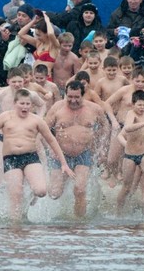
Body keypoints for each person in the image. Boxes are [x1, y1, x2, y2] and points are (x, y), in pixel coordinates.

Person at [0, 89, 75, 222]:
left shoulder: (37, 120)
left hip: (31, 157)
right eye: (22, 103)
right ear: (15, 103)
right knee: (16, 196)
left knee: (41, 191)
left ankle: (30, 196)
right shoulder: (5, 117)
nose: (25, 107)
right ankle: (16, 228)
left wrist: (64, 163)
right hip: (11, 159)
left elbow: (51, 140)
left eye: (28, 104)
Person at [45, 81, 109, 217]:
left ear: (83, 95)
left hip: (83, 153)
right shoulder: (57, 108)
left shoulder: (95, 109)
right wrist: (50, 147)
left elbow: (105, 126)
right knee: (54, 193)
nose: (73, 101)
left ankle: (79, 223)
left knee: (80, 190)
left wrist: (101, 148)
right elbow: (43, 129)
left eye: (77, 97)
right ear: (65, 94)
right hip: (60, 154)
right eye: (70, 97)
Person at [0, 68, 46, 182]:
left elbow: (42, 104)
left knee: (35, 170)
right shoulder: (2, 94)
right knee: (2, 174)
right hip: (3, 138)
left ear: (24, 81)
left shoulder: (30, 95)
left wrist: (40, 118)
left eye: (19, 81)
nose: (17, 84)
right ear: (8, 81)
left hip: (26, 137)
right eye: (14, 82)